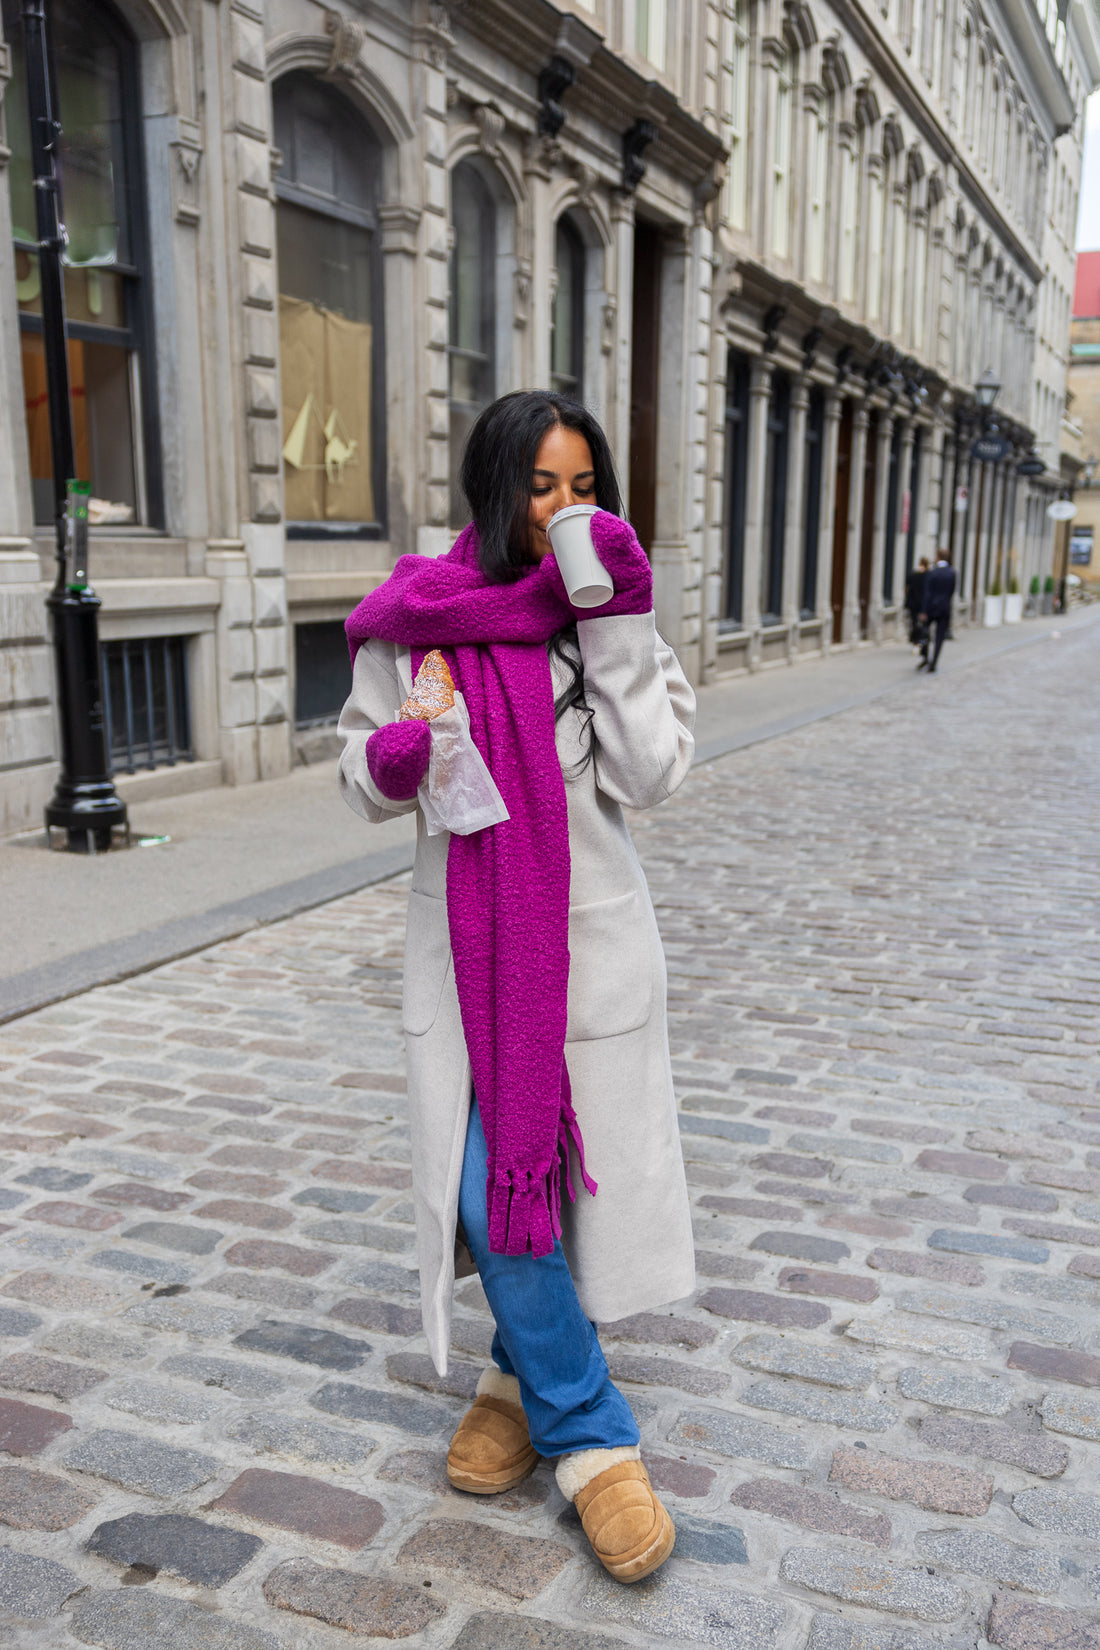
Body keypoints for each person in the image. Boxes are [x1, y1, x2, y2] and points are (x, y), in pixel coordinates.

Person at [337, 390, 696, 1585]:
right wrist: (395, 755)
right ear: (495, 490)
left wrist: (613, 628)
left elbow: (650, 776)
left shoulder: (601, 612)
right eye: (541, 487)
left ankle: (525, 1384)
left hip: (583, 951)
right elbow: (362, 773)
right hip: (468, 957)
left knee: (543, 1192)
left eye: (583, 486)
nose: (564, 511)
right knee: (497, 1193)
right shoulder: (412, 622)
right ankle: (590, 1431)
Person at [919, 549, 956, 672]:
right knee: (940, 636)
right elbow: (951, 591)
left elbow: (927, 593)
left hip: (931, 608)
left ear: (938, 557)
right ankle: (934, 662)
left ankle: (925, 655)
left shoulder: (933, 573)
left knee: (925, 632)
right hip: (944, 608)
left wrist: (924, 611)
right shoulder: (952, 573)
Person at [904, 557, 930, 651]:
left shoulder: (913, 574)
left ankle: (915, 640)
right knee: (923, 623)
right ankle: (921, 640)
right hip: (923, 603)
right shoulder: (929, 575)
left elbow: (907, 588)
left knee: (914, 621)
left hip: (913, 603)